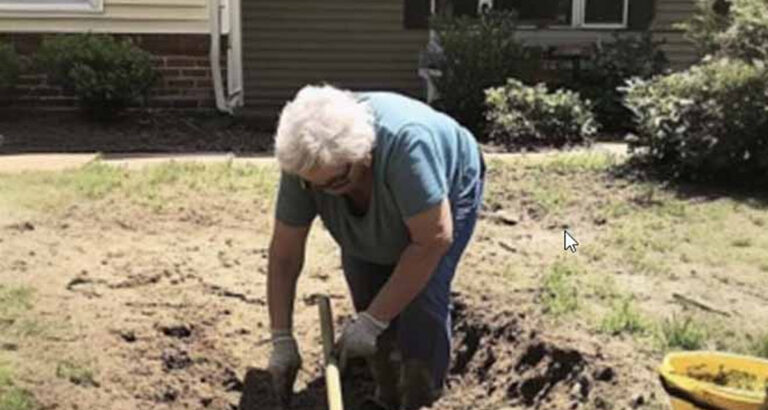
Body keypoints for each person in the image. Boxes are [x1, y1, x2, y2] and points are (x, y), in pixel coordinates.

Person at [266, 84, 485, 410]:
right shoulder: (304, 164)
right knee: (368, 291)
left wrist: (373, 321)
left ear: (364, 153)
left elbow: (432, 239)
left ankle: (420, 395)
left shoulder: (407, 144)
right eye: (320, 186)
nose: (329, 190)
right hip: (377, 197)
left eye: (339, 180)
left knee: (421, 301)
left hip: (445, 186)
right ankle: (386, 393)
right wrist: (281, 338)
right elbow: (284, 255)